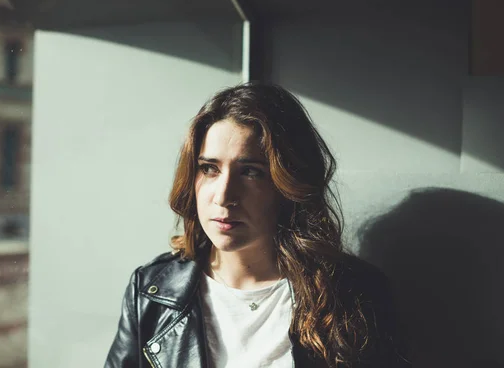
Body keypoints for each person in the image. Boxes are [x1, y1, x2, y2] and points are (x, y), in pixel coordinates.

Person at [104, 83, 409, 368]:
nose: (223, 196)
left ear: (288, 184)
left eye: (250, 172)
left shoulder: (354, 294)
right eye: (209, 169)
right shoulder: (151, 291)